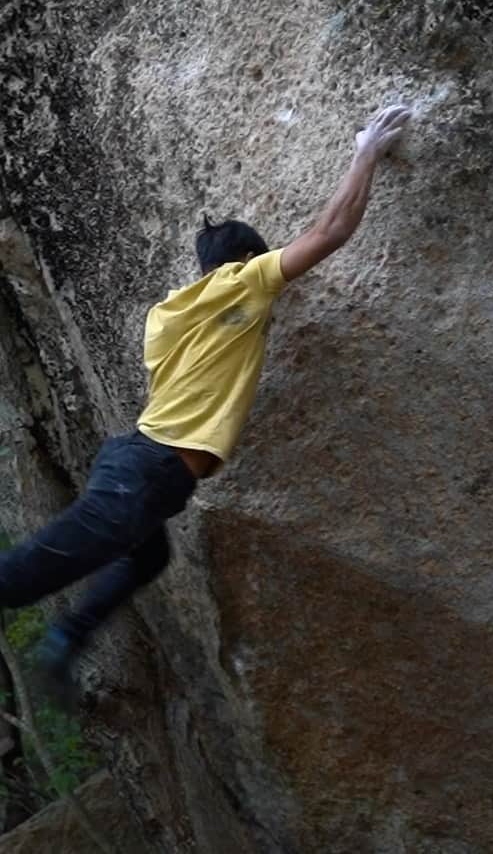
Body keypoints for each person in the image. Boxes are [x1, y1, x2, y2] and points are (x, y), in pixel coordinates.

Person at [0, 104, 410, 696]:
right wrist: (366, 151)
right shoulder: (238, 285)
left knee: (146, 559)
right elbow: (329, 233)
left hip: (141, 469)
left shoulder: (168, 315)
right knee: (20, 577)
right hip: (143, 476)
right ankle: (63, 636)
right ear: (244, 263)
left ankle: (66, 637)